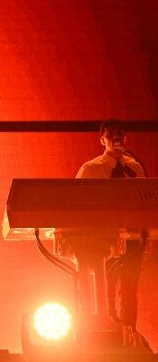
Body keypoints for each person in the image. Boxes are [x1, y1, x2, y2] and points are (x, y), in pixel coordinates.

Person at [76, 119, 147, 335]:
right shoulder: (90, 169)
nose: (116, 138)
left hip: (133, 237)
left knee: (129, 288)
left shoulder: (134, 167)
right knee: (104, 285)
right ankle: (108, 331)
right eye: (110, 135)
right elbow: (75, 203)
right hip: (103, 238)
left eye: (120, 135)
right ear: (102, 140)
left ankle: (129, 332)